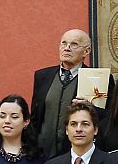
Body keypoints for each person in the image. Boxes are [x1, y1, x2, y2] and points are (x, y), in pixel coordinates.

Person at [30, 28, 92, 157]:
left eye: (74, 44)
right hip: (42, 154)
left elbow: (104, 118)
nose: (67, 48)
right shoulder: (42, 76)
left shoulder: (95, 78)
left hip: (77, 155)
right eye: (64, 43)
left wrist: (90, 107)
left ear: (86, 51)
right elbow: (35, 117)